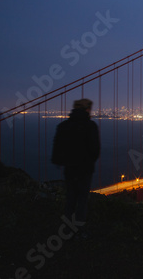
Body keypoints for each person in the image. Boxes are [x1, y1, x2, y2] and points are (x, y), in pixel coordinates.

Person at [52, 98, 100, 238]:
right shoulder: (90, 126)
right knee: (82, 200)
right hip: (85, 170)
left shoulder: (63, 126)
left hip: (69, 169)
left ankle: (66, 230)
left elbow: (57, 149)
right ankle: (79, 231)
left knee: (70, 198)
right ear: (87, 109)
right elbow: (95, 150)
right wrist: (89, 161)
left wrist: (63, 162)